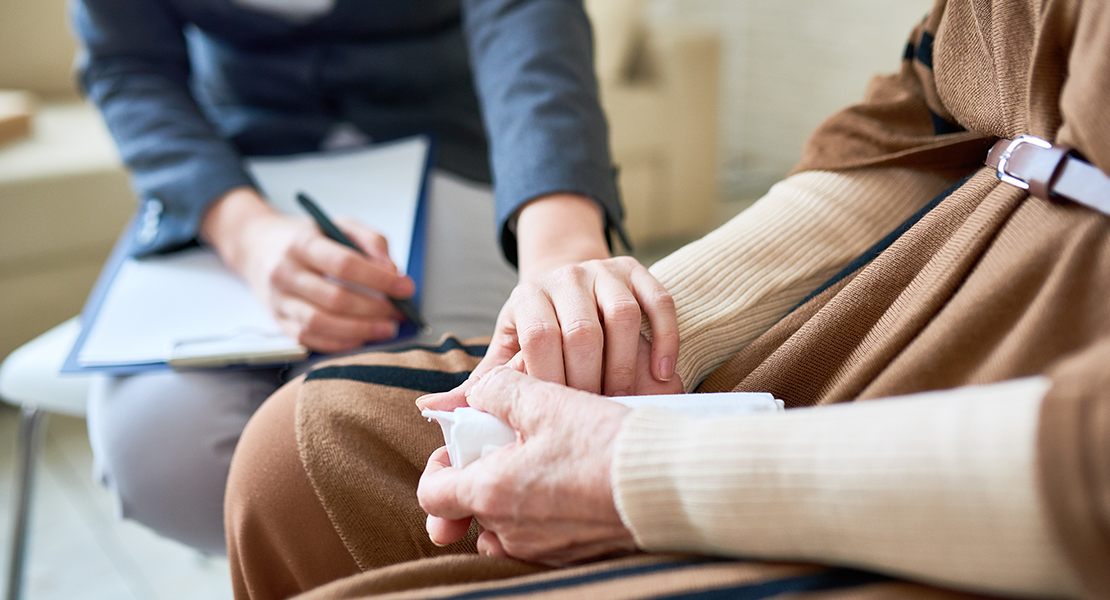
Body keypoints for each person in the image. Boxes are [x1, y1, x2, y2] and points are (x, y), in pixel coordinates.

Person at [225, 0, 1110, 598]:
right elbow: (925, 114)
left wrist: (640, 476)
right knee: (295, 453)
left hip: (1049, 461)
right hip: (909, 289)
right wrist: (637, 328)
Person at [73, 0, 679, 555]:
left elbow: (525, 20)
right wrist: (247, 234)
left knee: (427, 440)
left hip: (454, 151)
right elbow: (127, 65)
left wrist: (560, 243)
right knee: (159, 459)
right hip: (232, 179)